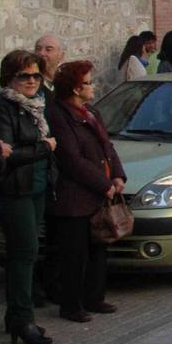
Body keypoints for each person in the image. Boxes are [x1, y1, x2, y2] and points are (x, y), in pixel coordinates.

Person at [45, 60, 126, 323]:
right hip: (74, 198)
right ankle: (71, 305)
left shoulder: (91, 112)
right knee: (74, 254)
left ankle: (94, 297)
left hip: (97, 196)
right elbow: (71, 158)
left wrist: (117, 175)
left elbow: (107, 146)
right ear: (76, 88)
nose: (93, 87)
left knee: (97, 250)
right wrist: (103, 185)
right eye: (89, 82)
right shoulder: (59, 115)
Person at [0, 50, 57, 344]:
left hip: (37, 186)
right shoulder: (3, 108)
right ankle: (21, 318)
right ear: (9, 78)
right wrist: (44, 149)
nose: (31, 81)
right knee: (24, 251)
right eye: (24, 76)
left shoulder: (36, 105)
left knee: (30, 251)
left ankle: (18, 316)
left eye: (35, 75)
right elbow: (5, 155)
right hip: (14, 189)